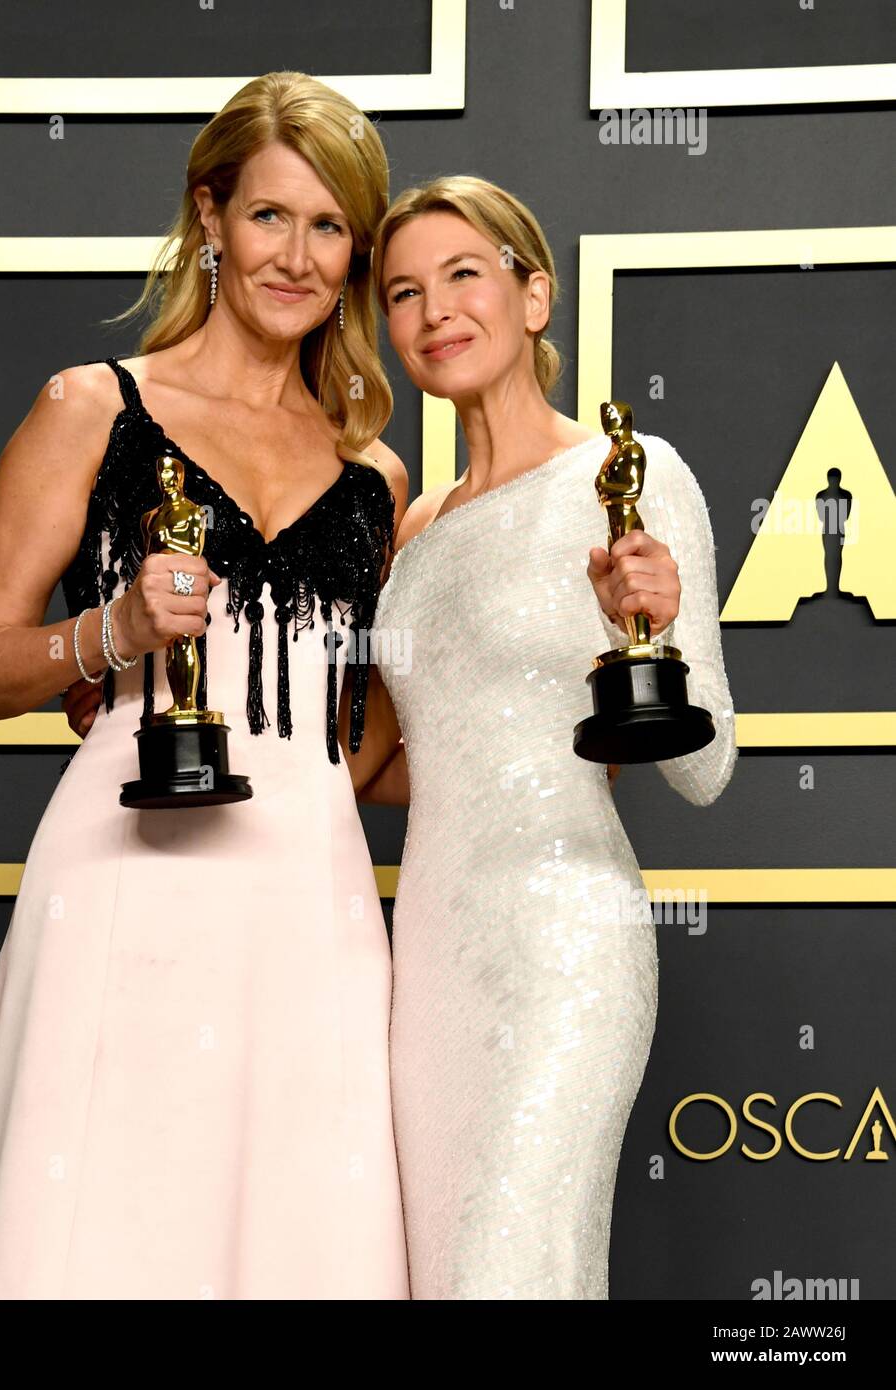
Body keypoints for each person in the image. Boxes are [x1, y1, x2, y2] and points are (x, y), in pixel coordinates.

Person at [0, 71, 411, 1300]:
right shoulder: (94, 407)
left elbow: (366, 751)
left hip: (309, 897)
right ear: (209, 214)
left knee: (299, 1231)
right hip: (128, 878)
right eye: (268, 217)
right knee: (104, 1228)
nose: (296, 257)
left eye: (329, 227)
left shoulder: (377, 480)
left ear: (354, 252)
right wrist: (114, 630)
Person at [354, 176, 738, 1298]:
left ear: (535, 295)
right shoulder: (416, 526)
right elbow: (398, 761)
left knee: (506, 1265)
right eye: (403, 293)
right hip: (425, 967)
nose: (433, 313)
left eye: (464, 275)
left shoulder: (628, 475)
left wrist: (656, 630)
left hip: (562, 948)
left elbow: (706, 770)